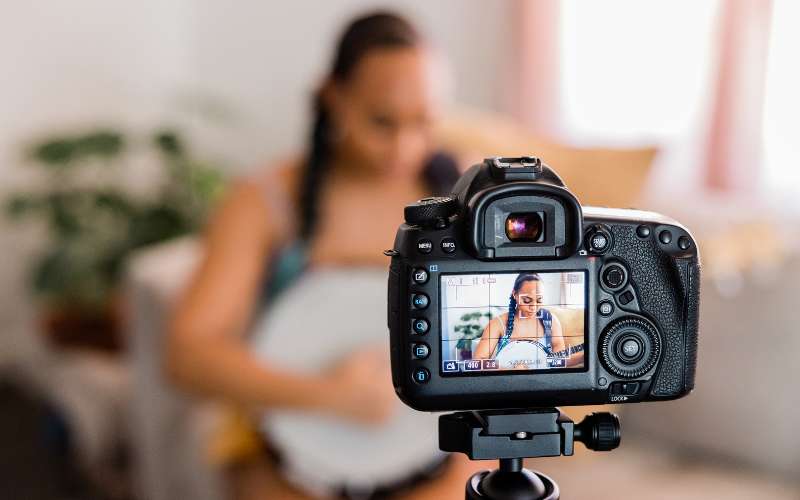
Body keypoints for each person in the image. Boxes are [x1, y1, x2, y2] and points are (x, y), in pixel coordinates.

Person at [166, 11, 483, 500]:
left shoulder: (469, 193)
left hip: (439, 471)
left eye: (424, 121)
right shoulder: (265, 202)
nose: (404, 147)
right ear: (333, 98)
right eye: (382, 122)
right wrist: (330, 396)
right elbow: (188, 356)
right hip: (289, 473)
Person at [473, 273, 585, 369]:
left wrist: (582, 357)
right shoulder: (498, 324)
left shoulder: (550, 321)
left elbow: (558, 361)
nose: (534, 307)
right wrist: (506, 370)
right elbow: (478, 362)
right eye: (527, 300)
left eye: (539, 300)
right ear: (515, 294)